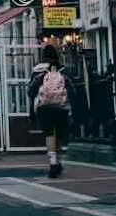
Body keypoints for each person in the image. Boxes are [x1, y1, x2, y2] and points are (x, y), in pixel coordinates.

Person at [28, 43, 80, 179]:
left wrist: (31, 113)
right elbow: (73, 90)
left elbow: (31, 91)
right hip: (61, 107)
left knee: (49, 134)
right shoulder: (63, 69)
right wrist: (74, 109)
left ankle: (53, 163)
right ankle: (57, 161)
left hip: (43, 108)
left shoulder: (37, 70)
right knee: (59, 135)